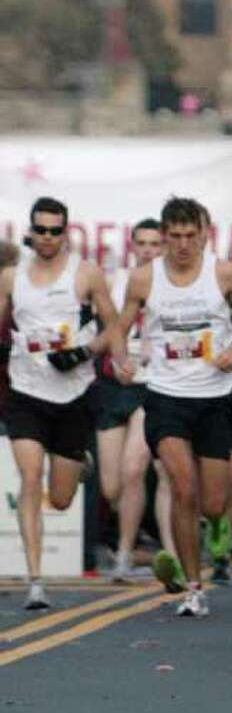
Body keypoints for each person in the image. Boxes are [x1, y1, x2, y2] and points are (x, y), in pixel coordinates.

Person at [112, 196, 232, 617]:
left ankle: (217, 528)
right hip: (166, 396)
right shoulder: (144, 278)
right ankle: (194, 587)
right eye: (173, 236)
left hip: (214, 397)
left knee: (214, 502)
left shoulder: (223, 273)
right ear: (163, 236)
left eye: (189, 236)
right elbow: (121, 328)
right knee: (183, 488)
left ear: (203, 233)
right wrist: (122, 361)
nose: (181, 245)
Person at [0, 197, 120, 610]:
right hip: (26, 392)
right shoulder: (11, 278)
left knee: (63, 497)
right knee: (30, 477)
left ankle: (79, 463)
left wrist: (86, 353)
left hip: (73, 394)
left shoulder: (85, 274)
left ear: (65, 233)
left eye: (55, 231)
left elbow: (113, 324)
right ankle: (36, 581)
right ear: (30, 232)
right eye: (41, 230)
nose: (48, 238)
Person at [99, 218, 165, 582]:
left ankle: (123, 555)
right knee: (111, 486)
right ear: (133, 246)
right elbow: (107, 329)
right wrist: (118, 358)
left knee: (133, 468)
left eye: (155, 243)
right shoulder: (116, 281)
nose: (148, 250)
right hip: (115, 386)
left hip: (150, 386)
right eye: (142, 243)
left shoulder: (171, 284)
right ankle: (135, 542)